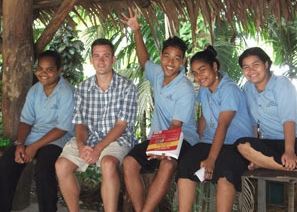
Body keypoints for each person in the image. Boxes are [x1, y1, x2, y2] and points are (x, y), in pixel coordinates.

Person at [120, 8, 199, 211]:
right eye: (166, 56)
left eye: (176, 58)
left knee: (167, 164)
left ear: (182, 61)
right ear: (162, 56)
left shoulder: (185, 88)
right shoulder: (157, 73)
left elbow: (176, 125)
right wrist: (136, 31)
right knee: (129, 163)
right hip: (158, 138)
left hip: (183, 139)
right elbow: (144, 60)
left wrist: (161, 151)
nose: (170, 63)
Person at [55, 38, 138, 212]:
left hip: (118, 139)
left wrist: (98, 149)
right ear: (91, 59)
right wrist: (82, 146)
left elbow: (121, 126)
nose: (101, 61)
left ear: (113, 59)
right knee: (61, 165)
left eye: (106, 56)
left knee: (108, 163)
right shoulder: (83, 88)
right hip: (89, 139)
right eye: (97, 56)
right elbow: (81, 124)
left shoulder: (127, 87)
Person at [177, 46, 254, 212]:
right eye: (195, 73)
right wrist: (198, 139)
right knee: (186, 164)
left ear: (214, 66)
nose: (198, 76)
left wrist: (211, 159)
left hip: (236, 144)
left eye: (202, 70)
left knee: (224, 171)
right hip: (210, 141)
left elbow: (223, 125)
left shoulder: (229, 89)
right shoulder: (205, 90)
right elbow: (204, 116)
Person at [0, 50, 75, 212]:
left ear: (59, 70)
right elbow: (26, 120)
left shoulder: (66, 92)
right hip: (35, 136)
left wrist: (33, 147)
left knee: (44, 167)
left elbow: (62, 128)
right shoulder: (35, 90)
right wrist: (21, 144)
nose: (44, 73)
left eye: (49, 69)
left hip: (59, 138)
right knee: (8, 161)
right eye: (40, 68)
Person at [236, 47, 297, 171]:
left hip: (292, 141)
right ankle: (287, 167)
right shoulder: (248, 88)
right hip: (270, 141)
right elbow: (253, 123)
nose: (251, 70)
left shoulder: (281, 83)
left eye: (255, 64)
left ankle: (285, 164)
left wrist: (289, 151)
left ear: (266, 64)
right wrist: (254, 155)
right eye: (246, 67)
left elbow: (289, 119)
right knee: (242, 145)